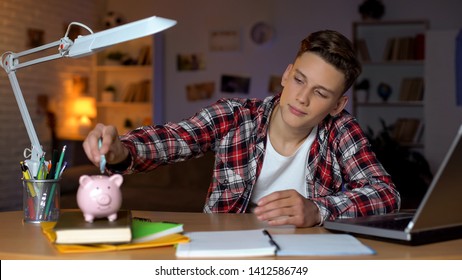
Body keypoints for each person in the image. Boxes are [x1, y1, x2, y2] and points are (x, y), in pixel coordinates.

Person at [83, 30, 400, 228]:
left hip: (307, 255)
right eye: (300, 80)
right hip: (228, 250)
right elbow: (174, 138)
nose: (302, 98)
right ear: (287, 75)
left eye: (320, 92)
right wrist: (121, 149)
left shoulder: (342, 130)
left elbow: (387, 194)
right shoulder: (235, 115)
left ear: (337, 105)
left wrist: (319, 210)